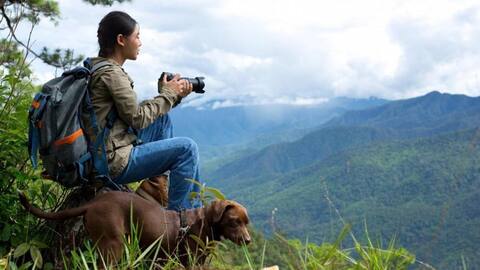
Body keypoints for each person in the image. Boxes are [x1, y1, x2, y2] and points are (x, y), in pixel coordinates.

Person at [87, 11, 202, 211]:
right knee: (187, 149)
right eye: (137, 36)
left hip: (104, 146)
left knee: (162, 120)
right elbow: (138, 119)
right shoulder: (112, 75)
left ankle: (156, 188)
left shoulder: (97, 68)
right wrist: (168, 94)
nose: (140, 42)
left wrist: (172, 95)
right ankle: (183, 221)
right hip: (112, 161)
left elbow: (131, 113)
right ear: (121, 40)